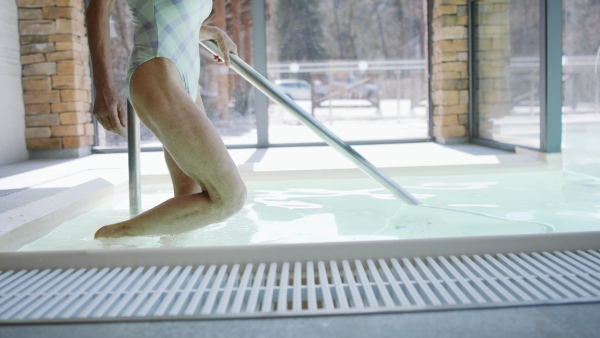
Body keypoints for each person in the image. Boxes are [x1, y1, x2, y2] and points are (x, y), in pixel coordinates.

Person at [86, 0, 247, 238]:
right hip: (156, 68)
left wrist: (213, 31)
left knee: (188, 197)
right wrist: (103, 87)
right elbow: (97, 8)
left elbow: (174, 17)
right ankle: (113, 238)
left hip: (183, 78)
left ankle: (173, 262)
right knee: (229, 197)